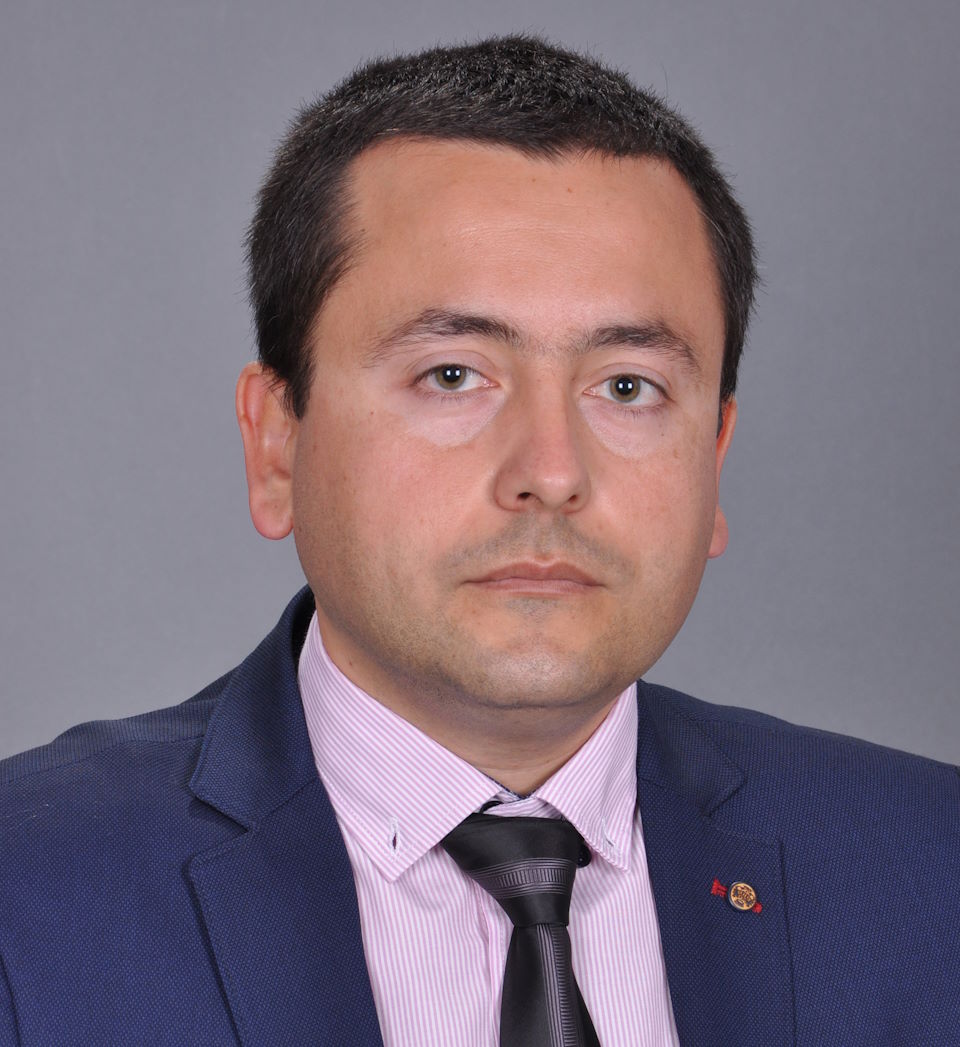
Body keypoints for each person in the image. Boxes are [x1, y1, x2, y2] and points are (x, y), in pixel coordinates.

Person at [0, 34, 957, 1047]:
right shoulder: (32, 892)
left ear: (714, 455)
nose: (551, 470)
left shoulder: (928, 870)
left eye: (627, 386)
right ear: (277, 443)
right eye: (452, 374)